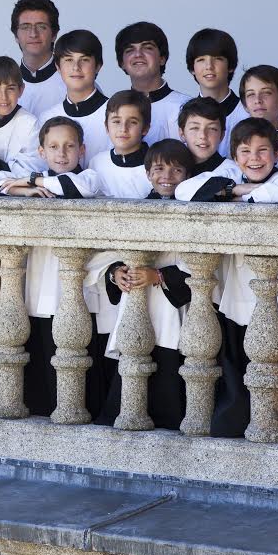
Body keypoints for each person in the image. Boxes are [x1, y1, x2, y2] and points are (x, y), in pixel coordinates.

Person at [176, 119, 278, 439]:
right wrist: (235, 189)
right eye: (246, 151)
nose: (255, 158)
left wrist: (236, 198)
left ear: (277, 154)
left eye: (263, 150)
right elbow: (185, 191)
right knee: (238, 366)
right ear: (235, 157)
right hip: (237, 290)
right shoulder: (226, 177)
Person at [0, 117, 112, 419]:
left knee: (79, 362)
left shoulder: (89, 177)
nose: (61, 153)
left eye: (69, 146)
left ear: (82, 150)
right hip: (38, 286)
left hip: (78, 289)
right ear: (41, 151)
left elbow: (71, 188)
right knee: (41, 356)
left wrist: (32, 181)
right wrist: (24, 191)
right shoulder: (31, 180)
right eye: (53, 146)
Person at [96, 138, 197, 429]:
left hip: (168, 302)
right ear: (147, 174)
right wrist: (117, 272)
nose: (167, 176)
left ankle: (166, 421)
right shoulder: (135, 209)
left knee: (167, 362)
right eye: (159, 169)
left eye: (177, 170)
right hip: (136, 299)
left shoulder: (191, 211)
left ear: (187, 176)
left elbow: (198, 264)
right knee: (132, 359)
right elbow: (111, 252)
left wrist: (159, 276)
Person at [35, 29, 110, 167]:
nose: (76, 67)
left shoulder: (115, 115)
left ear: (98, 66)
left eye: (84, 60)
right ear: (58, 67)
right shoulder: (47, 117)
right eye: (69, 60)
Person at [115, 22, 190, 143]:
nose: (138, 54)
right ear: (122, 63)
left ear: (162, 58)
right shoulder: (113, 110)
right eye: (130, 50)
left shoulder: (186, 107)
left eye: (147, 48)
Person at [82, 90, 152, 198]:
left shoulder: (156, 166)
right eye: (116, 121)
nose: (123, 129)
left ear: (145, 129)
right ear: (106, 126)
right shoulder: (97, 163)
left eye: (133, 122)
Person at [184, 28, 248, 144]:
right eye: (201, 60)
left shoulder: (248, 113)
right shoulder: (184, 115)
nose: (209, 66)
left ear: (231, 66)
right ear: (192, 68)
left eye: (218, 59)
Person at [8, 0, 66, 114]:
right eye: (25, 27)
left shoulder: (76, 85)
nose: (33, 34)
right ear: (15, 36)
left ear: (54, 34)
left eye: (41, 27)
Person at [177, 97, 227, 173]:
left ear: (222, 135)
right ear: (182, 133)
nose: (203, 136)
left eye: (212, 128)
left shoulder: (232, 173)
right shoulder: (172, 173)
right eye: (195, 128)